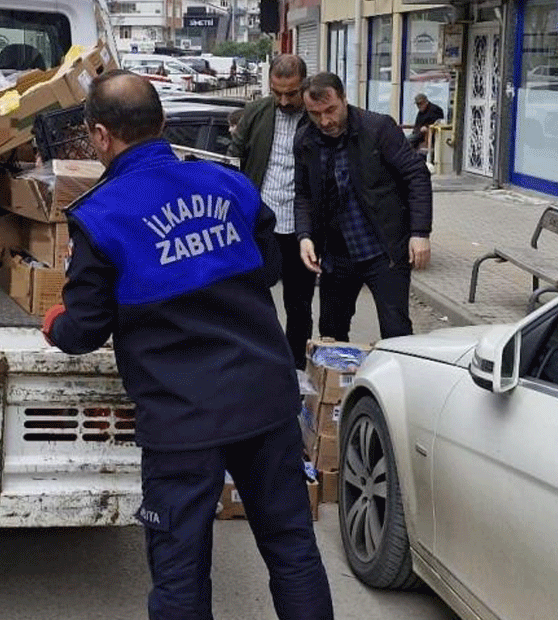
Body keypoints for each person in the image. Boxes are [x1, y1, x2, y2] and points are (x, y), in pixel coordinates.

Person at [44, 70, 333, 620]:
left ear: (102, 136)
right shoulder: (230, 185)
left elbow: (83, 330)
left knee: (180, 573)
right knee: (292, 549)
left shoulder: (101, 216)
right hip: (265, 400)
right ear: (162, 124)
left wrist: (53, 322)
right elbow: (267, 266)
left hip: (183, 421)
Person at [295, 72, 432, 341]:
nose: (325, 120)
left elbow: (416, 174)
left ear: (345, 99)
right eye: (315, 113)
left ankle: (397, 382)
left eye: (331, 110)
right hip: (336, 254)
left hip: (383, 251)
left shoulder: (377, 128)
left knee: (396, 332)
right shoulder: (305, 140)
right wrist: (304, 236)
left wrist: (420, 233)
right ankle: (338, 383)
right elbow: (303, 194)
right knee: (331, 334)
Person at [229, 54, 317, 370]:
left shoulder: (316, 114)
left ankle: (294, 368)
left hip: (302, 228)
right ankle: (256, 363)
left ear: (304, 85)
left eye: (291, 93)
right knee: (253, 298)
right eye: (277, 92)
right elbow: (233, 158)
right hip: (261, 223)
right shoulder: (256, 113)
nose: (283, 100)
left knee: (299, 304)